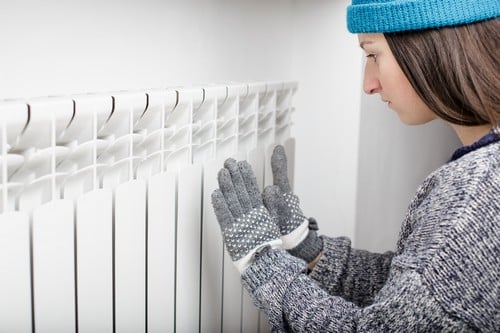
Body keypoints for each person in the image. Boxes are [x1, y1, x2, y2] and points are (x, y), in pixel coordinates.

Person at [211, 0, 499, 331]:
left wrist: (263, 263)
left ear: (432, 44)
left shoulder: (475, 192)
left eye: (373, 54)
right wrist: (311, 251)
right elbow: (420, 296)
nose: (369, 84)